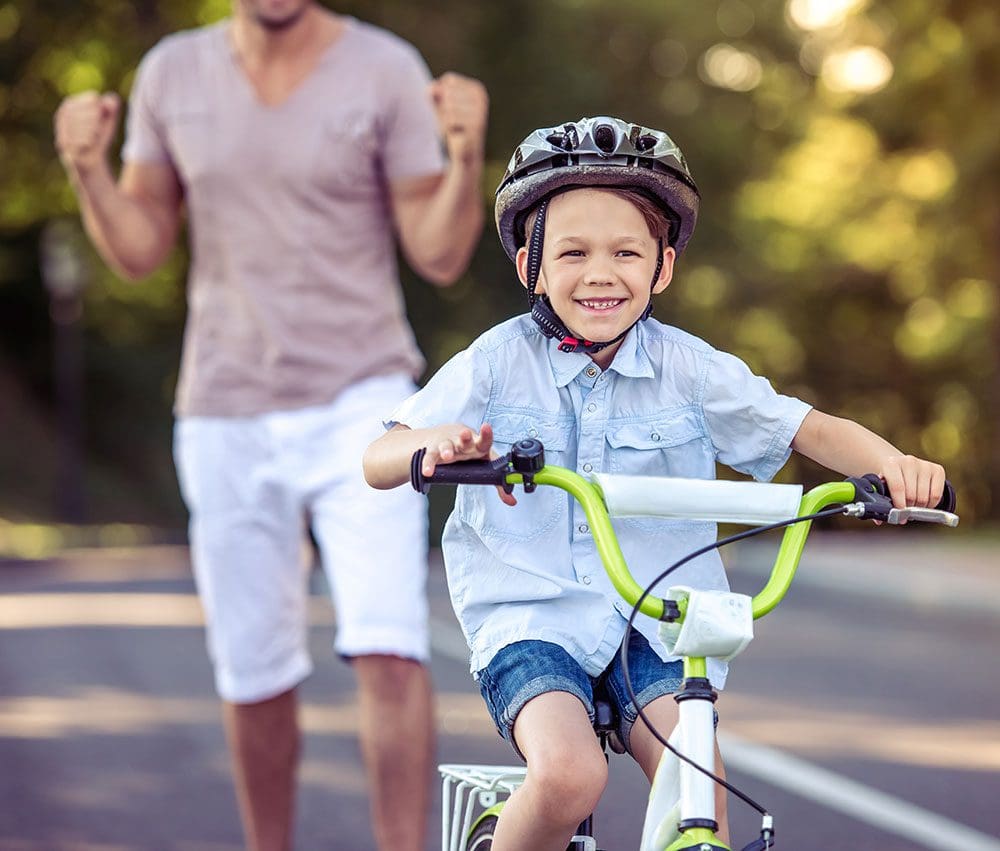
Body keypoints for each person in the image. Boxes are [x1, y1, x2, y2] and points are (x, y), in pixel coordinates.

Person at [362, 116, 948, 851]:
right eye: (572, 252)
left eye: (626, 252)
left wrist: (892, 465)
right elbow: (378, 458)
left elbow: (808, 428)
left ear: (662, 267)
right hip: (532, 619)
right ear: (531, 269)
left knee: (698, 795)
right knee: (570, 778)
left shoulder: (693, 369)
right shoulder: (494, 363)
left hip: (660, 619)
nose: (600, 272)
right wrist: (429, 444)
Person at [53, 2, 489, 850]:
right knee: (252, 671)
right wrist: (86, 170)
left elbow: (437, 253)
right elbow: (140, 250)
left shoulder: (384, 68)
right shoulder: (172, 74)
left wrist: (466, 155)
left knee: (388, 645)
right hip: (225, 408)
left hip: (364, 400)